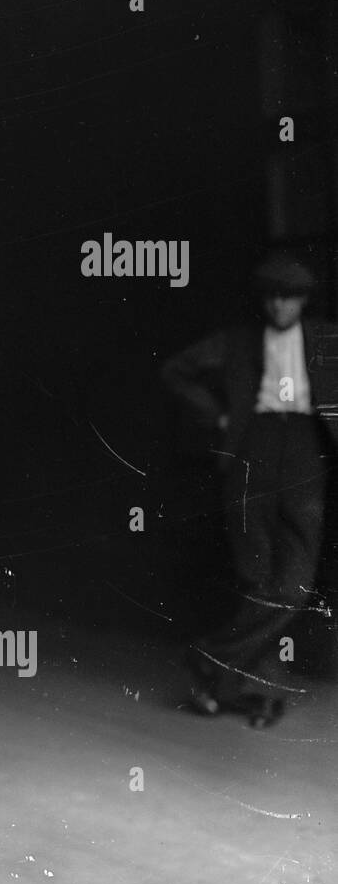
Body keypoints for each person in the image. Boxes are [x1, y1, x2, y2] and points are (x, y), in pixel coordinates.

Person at [161, 251, 335, 728]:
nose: (282, 306)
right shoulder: (237, 341)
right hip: (252, 450)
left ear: (304, 300)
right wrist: (218, 415)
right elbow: (176, 369)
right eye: (274, 297)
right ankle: (250, 692)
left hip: (305, 449)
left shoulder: (325, 339)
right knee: (257, 578)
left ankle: (209, 660)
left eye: (291, 297)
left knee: (294, 586)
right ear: (264, 300)